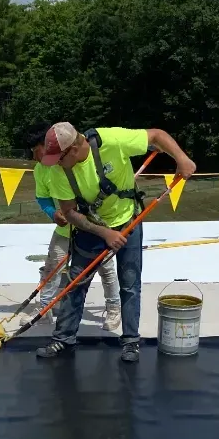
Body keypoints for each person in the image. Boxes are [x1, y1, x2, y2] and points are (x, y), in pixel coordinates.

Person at [37, 123, 196, 363]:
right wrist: (104, 233)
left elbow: (156, 135)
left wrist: (181, 159)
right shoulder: (58, 171)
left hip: (127, 221)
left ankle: (131, 341)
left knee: (130, 283)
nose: (56, 164)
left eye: (59, 158)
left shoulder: (111, 140)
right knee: (76, 282)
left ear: (74, 149)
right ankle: (63, 338)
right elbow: (69, 212)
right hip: (90, 226)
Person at [26, 123, 121, 331]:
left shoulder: (72, 161)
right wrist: (53, 213)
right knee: (52, 268)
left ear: (47, 146)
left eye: (36, 150)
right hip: (64, 230)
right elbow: (42, 197)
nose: (34, 157)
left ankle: (114, 308)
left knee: (105, 269)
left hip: (92, 227)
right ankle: (44, 309)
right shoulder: (40, 170)